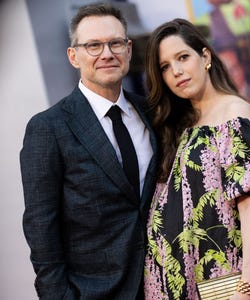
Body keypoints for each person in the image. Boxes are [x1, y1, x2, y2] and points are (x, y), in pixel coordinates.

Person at [143, 18, 250, 300]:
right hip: (188, 280)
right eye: (165, 67)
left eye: (183, 57)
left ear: (205, 57)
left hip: (230, 281)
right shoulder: (181, 123)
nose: (176, 71)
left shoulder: (234, 113)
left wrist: (249, 286)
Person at [20, 3, 157, 300]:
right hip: (94, 292)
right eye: (93, 45)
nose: (106, 53)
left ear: (129, 50)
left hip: (164, 283)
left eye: (115, 43)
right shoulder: (49, 128)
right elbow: (41, 225)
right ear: (74, 56)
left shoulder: (150, 113)